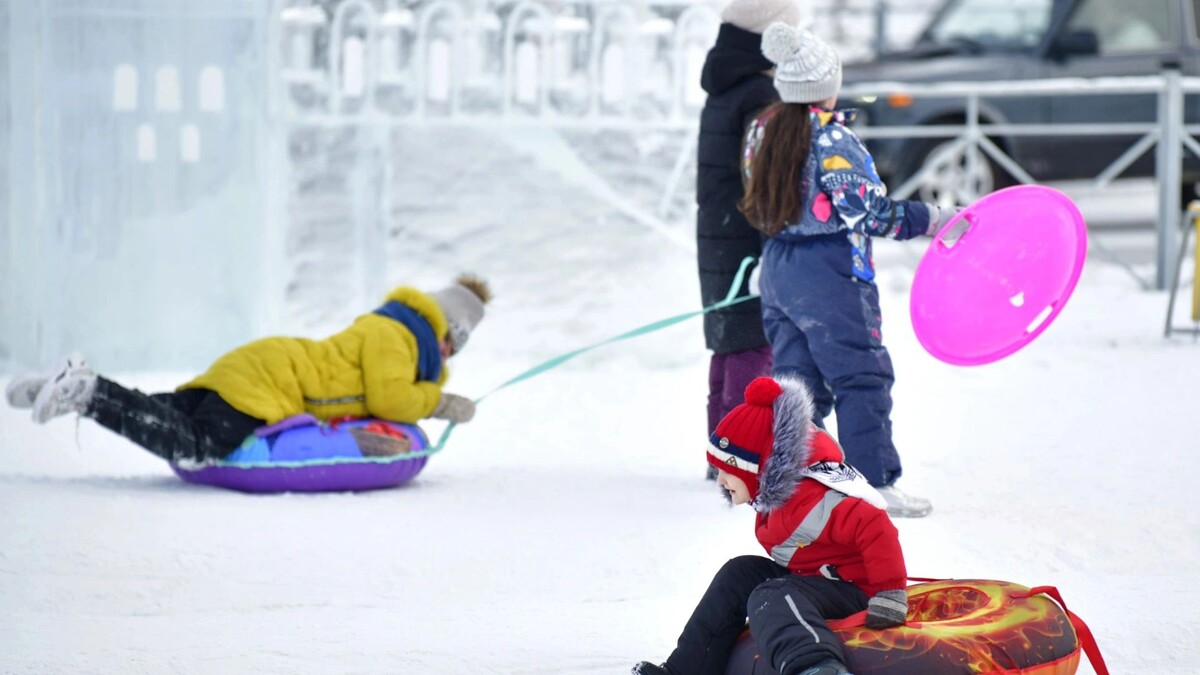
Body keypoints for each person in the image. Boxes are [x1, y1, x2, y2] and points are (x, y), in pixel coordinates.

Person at [739, 23, 959, 518]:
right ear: (827, 84)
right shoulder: (832, 138)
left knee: (796, 384)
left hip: (777, 268)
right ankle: (873, 482)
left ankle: (795, 484)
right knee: (861, 376)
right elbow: (870, 213)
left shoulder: (762, 129)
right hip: (831, 273)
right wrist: (934, 219)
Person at [5, 274, 491, 463]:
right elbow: (390, 399)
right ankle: (88, 392)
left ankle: (65, 383)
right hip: (272, 381)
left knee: (168, 413)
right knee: (199, 445)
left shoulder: (391, 330)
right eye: (452, 345)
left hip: (261, 367)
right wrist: (441, 403)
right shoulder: (397, 335)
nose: (447, 357)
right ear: (442, 328)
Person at [632, 375, 908, 675]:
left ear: (759, 467)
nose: (720, 480)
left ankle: (816, 667)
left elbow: (875, 524)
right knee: (739, 573)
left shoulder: (812, 497)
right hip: (815, 579)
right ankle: (687, 669)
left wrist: (889, 594)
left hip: (853, 589)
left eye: (727, 470)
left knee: (772, 595)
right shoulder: (779, 497)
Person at [696, 0, 803, 481]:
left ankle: (721, 454)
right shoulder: (760, 92)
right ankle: (737, 460)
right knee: (752, 347)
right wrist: (773, 240)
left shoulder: (727, 83)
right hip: (746, 236)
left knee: (729, 343)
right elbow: (761, 177)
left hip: (719, 230)